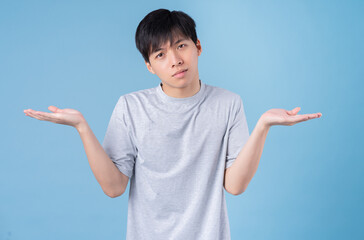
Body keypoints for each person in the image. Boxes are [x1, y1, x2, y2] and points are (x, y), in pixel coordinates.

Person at [23, 8, 322, 240]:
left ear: (198, 47)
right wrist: (82, 127)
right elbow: (114, 188)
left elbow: (235, 185)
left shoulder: (228, 103)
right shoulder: (131, 107)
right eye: (161, 54)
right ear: (149, 66)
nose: (175, 60)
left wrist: (263, 127)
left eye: (181, 46)